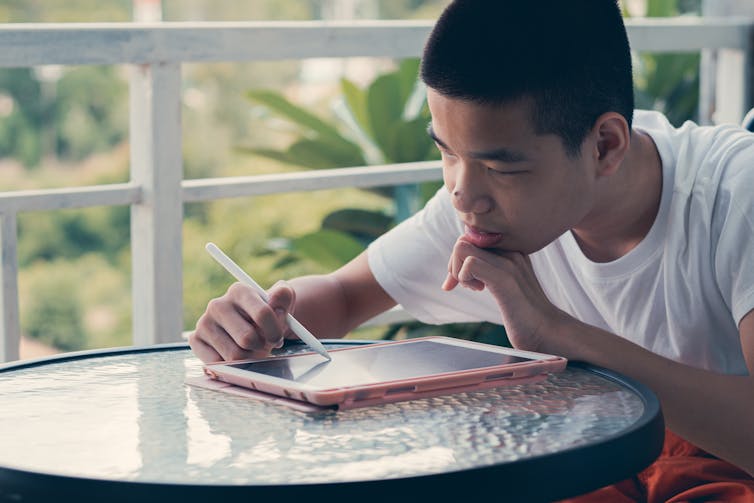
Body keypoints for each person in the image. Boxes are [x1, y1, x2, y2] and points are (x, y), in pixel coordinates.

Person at [189, 1, 754, 500]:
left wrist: (556, 334)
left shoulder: (736, 194)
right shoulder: (482, 204)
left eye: (500, 165)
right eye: (447, 152)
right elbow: (340, 295)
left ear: (604, 145)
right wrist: (259, 321)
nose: (463, 192)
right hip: (609, 457)